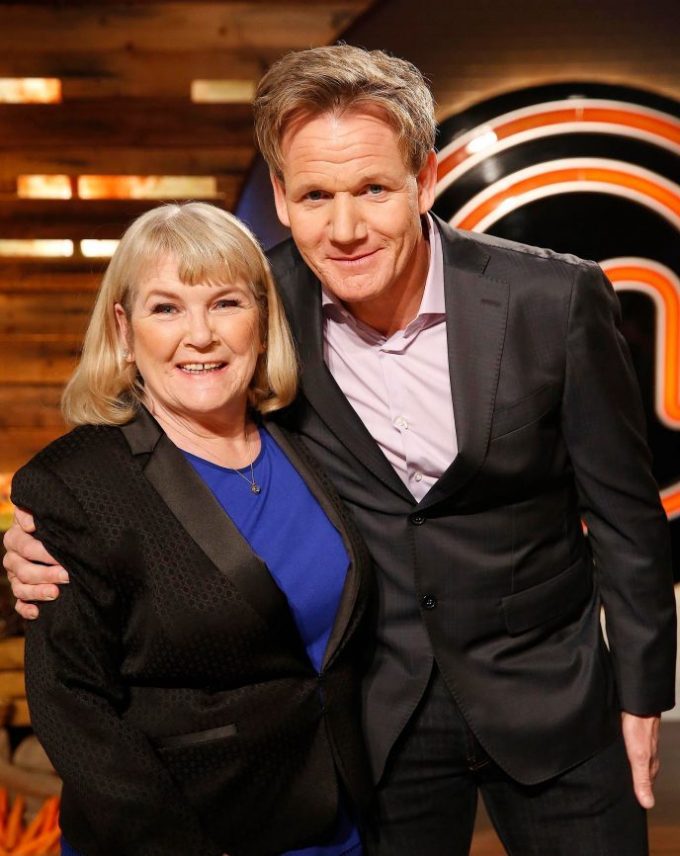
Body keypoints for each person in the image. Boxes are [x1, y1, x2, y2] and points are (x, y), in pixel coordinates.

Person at [5, 45, 677, 856]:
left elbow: (626, 517)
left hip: (555, 699)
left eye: (373, 190)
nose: (346, 228)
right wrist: (35, 542)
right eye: (316, 195)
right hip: (377, 721)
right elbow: (152, 421)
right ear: (280, 197)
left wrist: (643, 691)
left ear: (424, 180)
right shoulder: (258, 306)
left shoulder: (552, 299)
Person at [8, 202, 372, 856]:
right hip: (186, 834)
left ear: (261, 320)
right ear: (124, 330)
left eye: (226, 303)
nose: (200, 335)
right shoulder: (76, 483)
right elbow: (73, 709)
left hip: (339, 826)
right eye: (166, 308)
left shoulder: (311, 446)